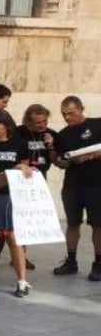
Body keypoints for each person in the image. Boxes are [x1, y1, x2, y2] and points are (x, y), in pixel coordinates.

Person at [50, 95, 101, 281]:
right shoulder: (63, 135)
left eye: (71, 113)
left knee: (97, 224)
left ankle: (98, 264)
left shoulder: (97, 125)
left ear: (81, 108)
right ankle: (71, 261)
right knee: (73, 224)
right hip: (73, 185)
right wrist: (55, 156)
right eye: (64, 115)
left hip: (97, 185)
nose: (67, 118)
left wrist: (90, 156)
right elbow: (61, 163)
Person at [0, 109, 34, 296]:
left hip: (11, 196)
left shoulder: (20, 144)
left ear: (7, 125)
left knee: (13, 238)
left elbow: (26, 169)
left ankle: (22, 281)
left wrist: (23, 167)